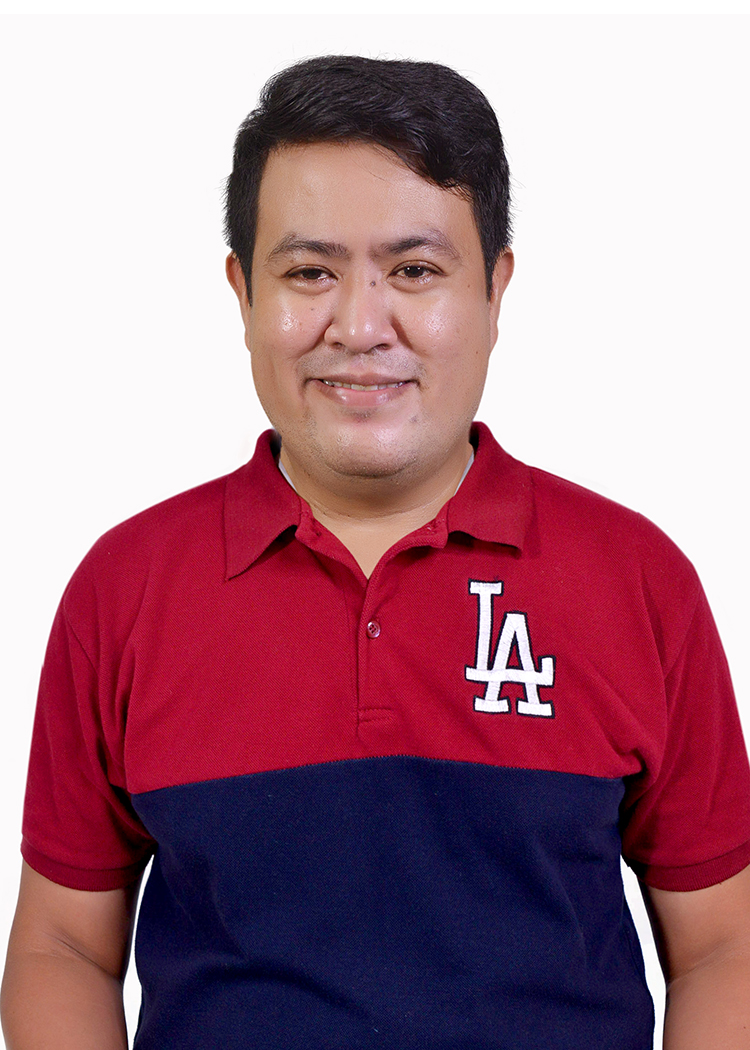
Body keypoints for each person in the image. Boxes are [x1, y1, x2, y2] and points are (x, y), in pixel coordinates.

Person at [2, 54, 749, 1050]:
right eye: (310, 272)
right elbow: (61, 946)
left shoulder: (638, 581)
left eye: (415, 271)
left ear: (495, 290)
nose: (359, 327)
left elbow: (722, 948)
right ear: (242, 291)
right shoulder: (125, 589)